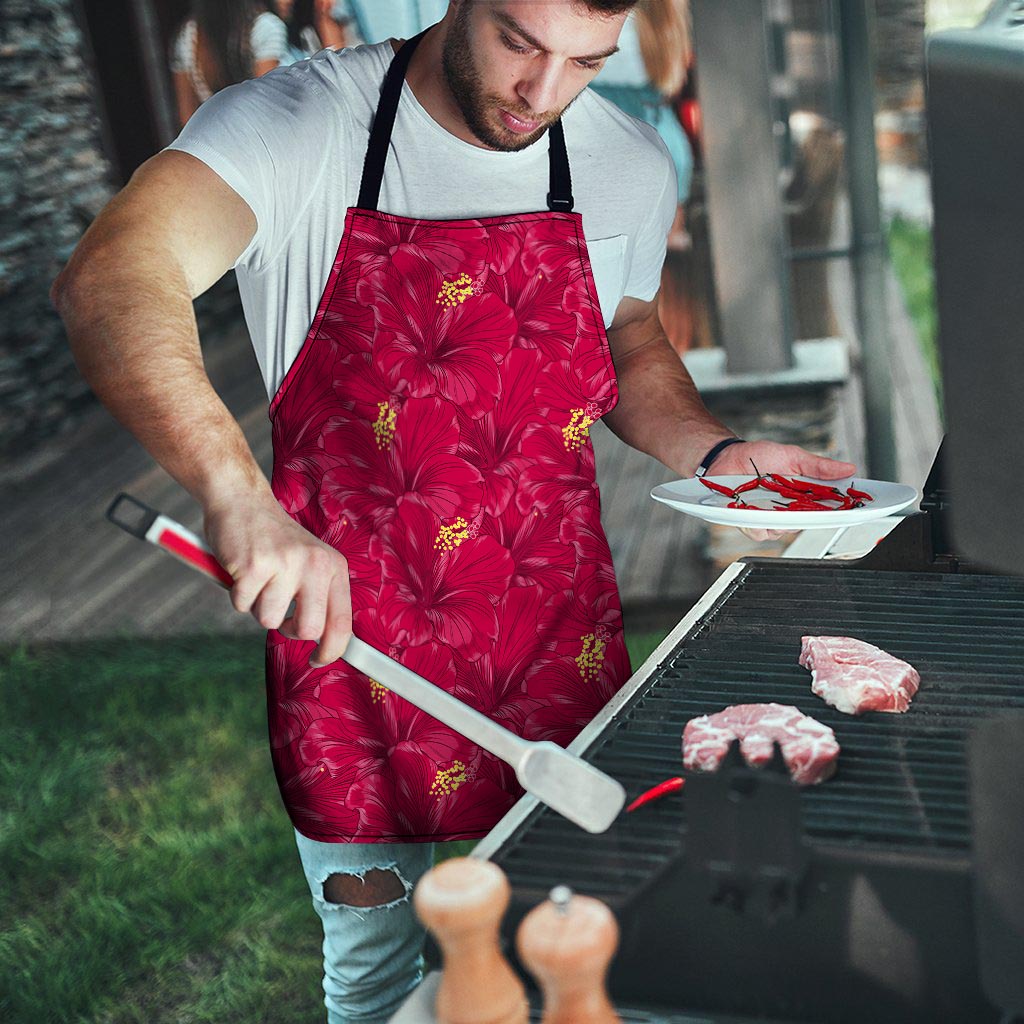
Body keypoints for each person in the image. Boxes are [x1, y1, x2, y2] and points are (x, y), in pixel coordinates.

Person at [52, 2, 856, 1020]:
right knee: (381, 978)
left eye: (585, 62)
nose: (543, 93)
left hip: (553, 637)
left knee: (584, 944)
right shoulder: (298, 125)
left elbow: (629, 334)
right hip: (354, 661)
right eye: (521, 43)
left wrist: (717, 449)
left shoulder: (625, 160)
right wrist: (236, 496)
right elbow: (112, 275)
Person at [170, 0, 289, 127]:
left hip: (215, 138)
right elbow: (266, 104)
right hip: (264, 136)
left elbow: (187, 117)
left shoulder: (187, 36)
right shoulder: (265, 27)